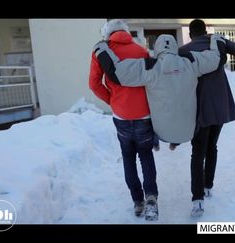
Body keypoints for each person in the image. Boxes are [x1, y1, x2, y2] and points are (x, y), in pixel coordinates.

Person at [93, 34, 224, 146]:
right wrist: (217, 39)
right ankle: (175, 140)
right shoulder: (191, 62)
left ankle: (159, 142)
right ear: (174, 47)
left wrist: (101, 49)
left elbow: (116, 72)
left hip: (161, 133)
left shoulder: (150, 67)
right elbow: (218, 58)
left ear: (157, 49)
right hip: (189, 132)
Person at [178, 19, 235, 217]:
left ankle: (198, 199)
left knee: (198, 152)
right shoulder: (218, 43)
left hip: (199, 107)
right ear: (206, 31)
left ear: (191, 34)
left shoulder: (184, 50)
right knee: (212, 146)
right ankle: (208, 185)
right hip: (220, 104)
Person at [88, 19, 158, 221]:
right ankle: (151, 198)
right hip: (144, 114)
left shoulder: (102, 52)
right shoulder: (141, 51)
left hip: (121, 115)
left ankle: (138, 202)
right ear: (127, 33)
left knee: (128, 157)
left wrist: (112, 99)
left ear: (108, 34)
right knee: (146, 156)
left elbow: (94, 84)